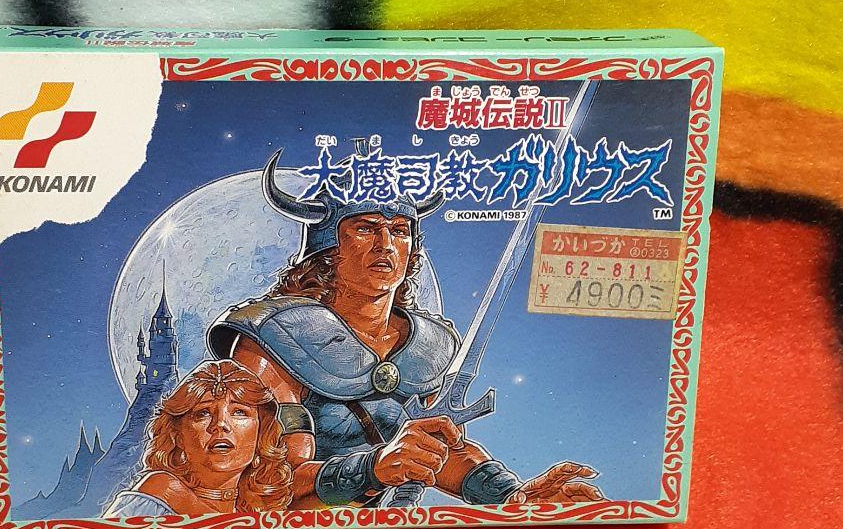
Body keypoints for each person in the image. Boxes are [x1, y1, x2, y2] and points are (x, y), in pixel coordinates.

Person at [206, 148, 603, 510]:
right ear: (329, 246)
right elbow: (269, 480)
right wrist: (372, 469)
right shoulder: (276, 338)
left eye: (398, 230)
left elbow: (440, 447)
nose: (386, 245)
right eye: (366, 228)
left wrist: (512, 495)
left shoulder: (428, 345)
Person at [105, 359, 292, 516]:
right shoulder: (157, 496)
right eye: (203, 413)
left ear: (261, 432)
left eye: (239, 412)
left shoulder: (257, 514)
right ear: (177, 435)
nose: (220, 424)